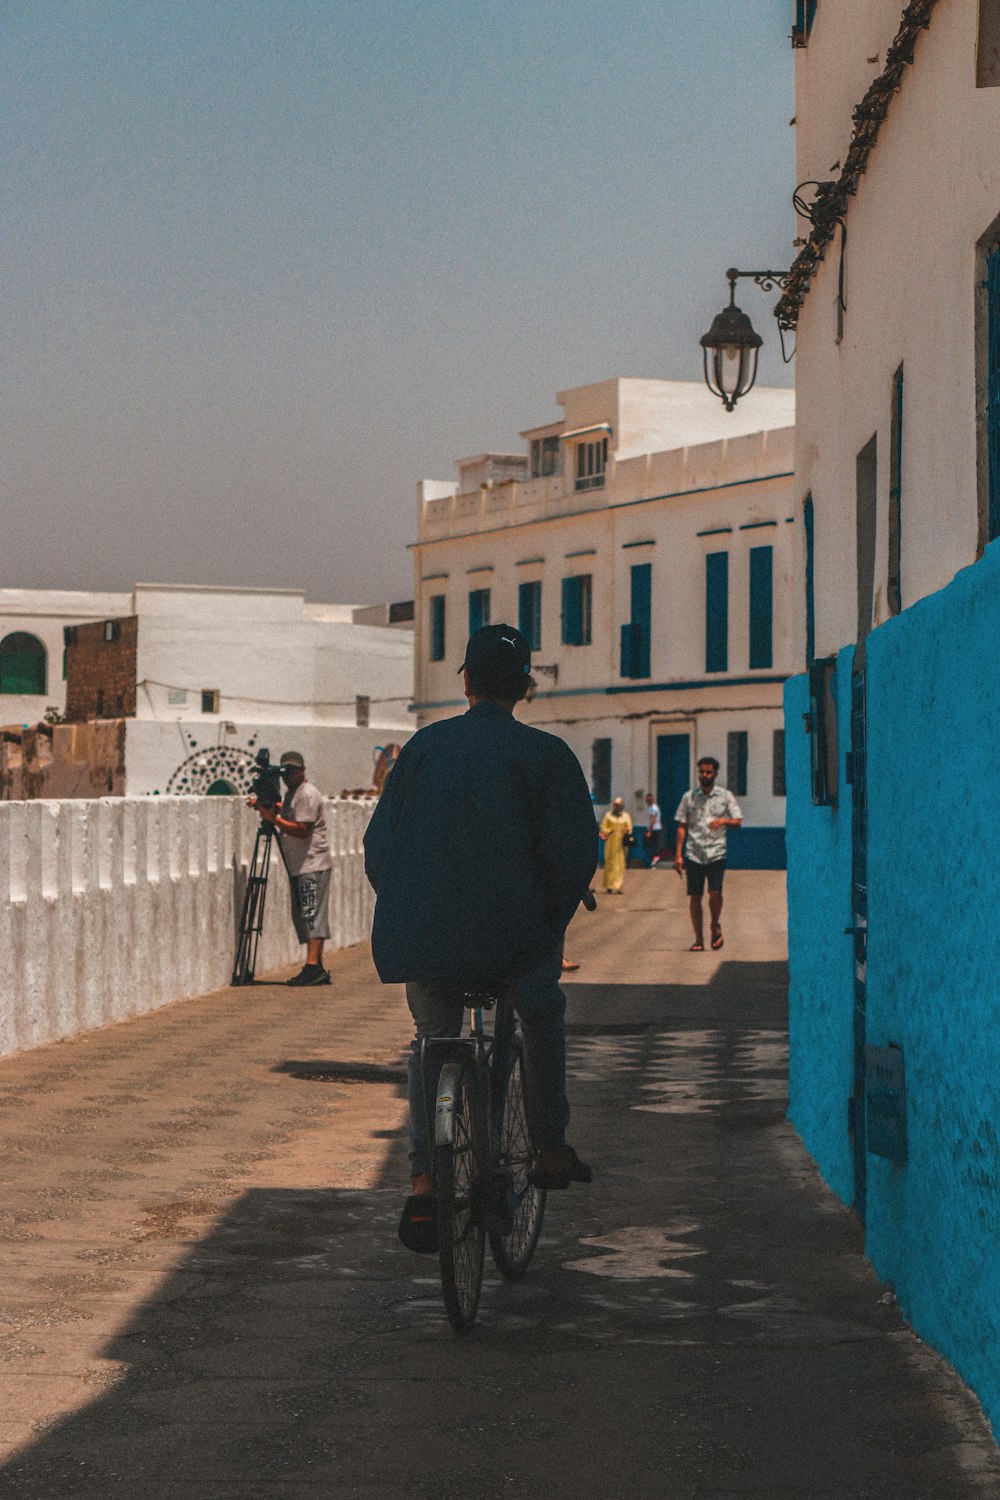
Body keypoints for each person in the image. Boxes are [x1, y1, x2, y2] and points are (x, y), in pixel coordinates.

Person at [364, 624, 597, 1254]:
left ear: (463, 680)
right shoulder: (547, 757)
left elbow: (378, 847)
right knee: (541, 1013)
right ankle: (548, 1145)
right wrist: (549, 921)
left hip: (424, 938)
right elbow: (575, 854)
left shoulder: (421, 751)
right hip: (516, 940)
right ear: (525, 687)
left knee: (433, 1044)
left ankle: (421, 1182)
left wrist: (412, 907)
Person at [254, 751, 333, 986]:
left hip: (311, 863)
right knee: (307, 913)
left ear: (302, 770)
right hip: (302, 864)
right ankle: (316, 966)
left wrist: (273, 819)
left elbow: (301, 828)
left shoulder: (307, 794)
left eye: (292, 771)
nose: (288, 775)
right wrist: (265, 805)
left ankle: (312, 967)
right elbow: (289, 813)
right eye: (285, 771)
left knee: (311, 913)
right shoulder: (293, 794)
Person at [673, 756, 743, 952]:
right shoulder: (689, 797)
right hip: (693, 853)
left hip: (716, 852)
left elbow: (738, 821)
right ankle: (698, 939)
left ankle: (714, 924)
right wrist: (678, 855)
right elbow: (682, 826)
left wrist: (723, 821)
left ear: (715, 774)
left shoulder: (725, 796)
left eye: (708, 772)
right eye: (701, 772)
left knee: (715, 893)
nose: (704, 775)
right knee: (695, 897)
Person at [599, 796, 633, 893]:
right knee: (610, 864)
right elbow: (603, 827)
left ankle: (618, 886)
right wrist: (609, 831)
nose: (616, 807)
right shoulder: (608, 815)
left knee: (620, 865)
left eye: (618, 805)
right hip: (610, 843)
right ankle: (609, 885)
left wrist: (626, 830)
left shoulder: (626, 816)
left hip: (621, 845)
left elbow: (629, 827)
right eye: (615, 805)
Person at [644, 792, 663, 865]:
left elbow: (653, 820)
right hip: (653, 829)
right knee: (652, 845)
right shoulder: (650, 808)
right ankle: (654, 859)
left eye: (649, 800)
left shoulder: (653, 808)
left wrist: (649, 831)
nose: (647, 802)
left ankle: (655, 859)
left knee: (653, 846)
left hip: (655, 829)